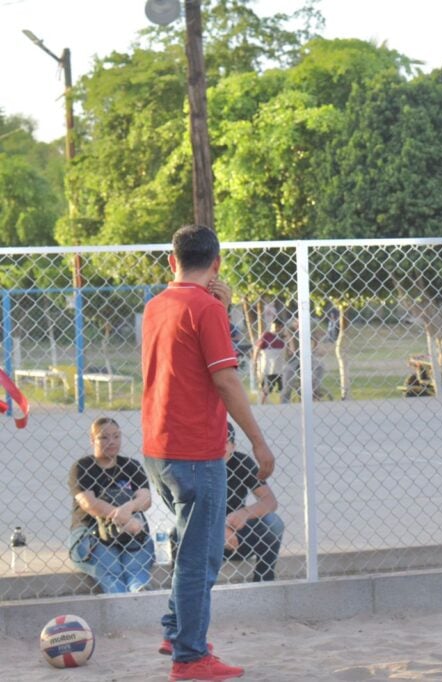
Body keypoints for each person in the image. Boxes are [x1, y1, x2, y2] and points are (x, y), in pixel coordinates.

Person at [142, 224, 275, 681]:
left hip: (159, 449)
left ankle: (175, 631)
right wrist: (257, 440)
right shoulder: (207, 308)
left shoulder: (157, 305)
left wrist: (221, 307)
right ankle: (190, 657)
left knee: (189, 546)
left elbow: (186, 362)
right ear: (216, 263)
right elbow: (225, 377)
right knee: (201, 556)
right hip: (197, 451)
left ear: (170, 260)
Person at [68, 416, 154, 594]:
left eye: (116, 436)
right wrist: (121, 517)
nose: (111, 442)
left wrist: (127, 510)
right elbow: (89, 503)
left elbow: (145, 499)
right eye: (104, 437)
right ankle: (124, 609)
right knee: (111, 570)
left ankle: (140, 595)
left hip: (130, 529)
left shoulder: (130, 465)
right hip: (91, 531)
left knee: (136, 571)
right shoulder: (83, 467)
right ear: (92, 440)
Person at [223, 422, 284, 582]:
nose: (219, 447)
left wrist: (245, 513)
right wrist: (220, 529)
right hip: (205, 536)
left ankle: (264, 581)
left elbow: (270, 501)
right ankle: (180, 590)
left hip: (238, 533)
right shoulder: (199, 466)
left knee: (273, 523)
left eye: (225, 442)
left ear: (233, 446)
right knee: (176, 533)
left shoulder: (241, 462)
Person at [255, 319, 287, 404]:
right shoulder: (266, 335)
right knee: (268, 385)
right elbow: (257, 347)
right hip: (269, 366)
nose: (276, 329)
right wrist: (255, 360)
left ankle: (282, 403)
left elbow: (288, 351)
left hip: (279, 366)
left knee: (281, 386)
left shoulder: (282, 337)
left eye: (278, 327)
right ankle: (261, 403)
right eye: (275, 327)